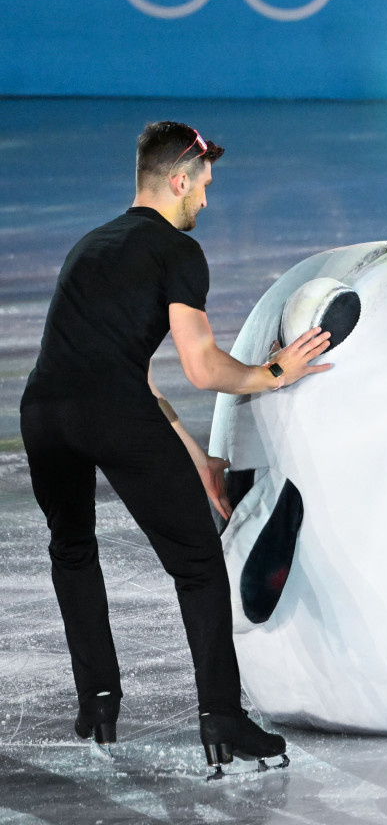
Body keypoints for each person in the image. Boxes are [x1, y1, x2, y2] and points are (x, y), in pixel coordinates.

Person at [19, 121, 331, 774]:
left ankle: (97, 701)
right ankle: (222, 717)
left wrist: (196, 459)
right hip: (109, 412)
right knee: (197, 565)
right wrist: (273, 374)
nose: (208, 202)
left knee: (72, 550)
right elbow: (200, 367)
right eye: (205, 187)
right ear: (178, 180)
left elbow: (129, 378)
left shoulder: (90, 245)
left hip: (44, 411)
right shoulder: (177, 253)